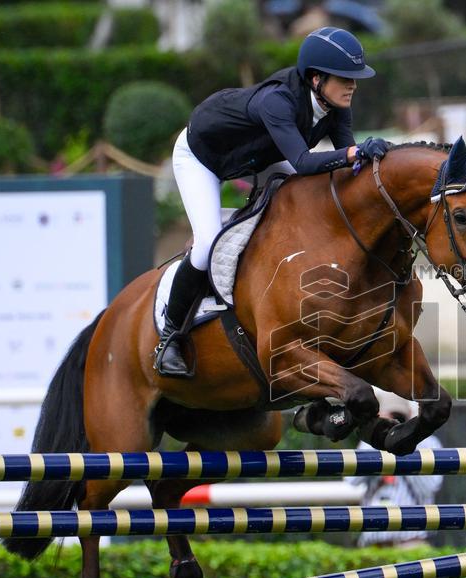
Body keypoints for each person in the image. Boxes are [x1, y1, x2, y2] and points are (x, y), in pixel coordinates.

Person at [157, 26, 390, 377]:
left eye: (354, 79)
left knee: (303, 203)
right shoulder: (277, 101)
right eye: (345, 78)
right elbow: (304, 162)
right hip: (202, 157)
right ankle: (170, 338)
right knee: (206, 244)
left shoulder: (336, 105)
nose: (353, 85)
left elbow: (346, 164)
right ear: (316, 79)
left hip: (259, 157)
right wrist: (356, 152)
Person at [349, 390, 443, 549]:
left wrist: (407, 442)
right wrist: (377, 435)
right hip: (374, 540)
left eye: (398, 416)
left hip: (411, 540)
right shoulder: (369, 442)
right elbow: (352, 480)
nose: (394, 422)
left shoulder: (428, 443)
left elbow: (430, 487)